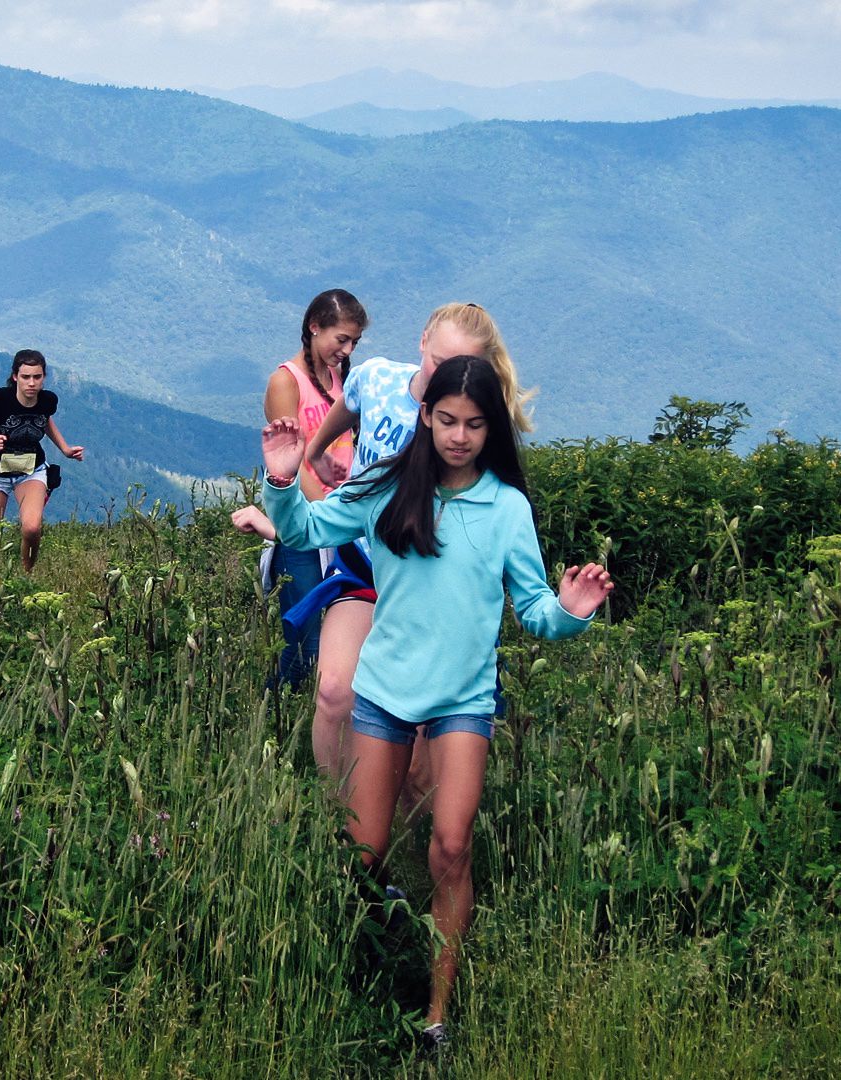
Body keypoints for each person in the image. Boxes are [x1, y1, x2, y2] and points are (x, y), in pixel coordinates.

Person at [259, 354, 613, 1049]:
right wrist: (280, 480)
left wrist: (571, 610)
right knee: (365, 854)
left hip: (463, 700)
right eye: (447, 420)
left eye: (475, 424)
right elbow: (305, 532)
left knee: (451, 848)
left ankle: (436, 1014)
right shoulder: (388, 487)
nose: (459, 436)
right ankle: (360, 978)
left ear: (493, 429)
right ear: (424, 417)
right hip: (386, 693)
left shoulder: (508, 508)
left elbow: (537, 610)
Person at [291, 303, 535, 788]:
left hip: (427, 578)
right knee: (336, 693)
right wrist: (314, 453)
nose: (445, 374)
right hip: (363, 565)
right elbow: (351, 403)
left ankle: (399, 832)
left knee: (420, 730)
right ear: (421, 340)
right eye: (437, 360)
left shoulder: (472, 421)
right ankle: (336, 819)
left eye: (461, 366)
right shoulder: (378, 377)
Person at [231, 290, 364, 693]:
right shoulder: (285, 380)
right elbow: (292, 458)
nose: (346, 349)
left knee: (342, 633)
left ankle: (285, 710)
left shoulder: (342, 380)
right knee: (306, 637)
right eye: (340, 339)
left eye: (354, 342)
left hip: (342, 519)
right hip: (306, 522)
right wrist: (325, 510)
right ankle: (272, 711)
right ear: (314, 327)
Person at [0, 349, 85, 572]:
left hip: (30, 471)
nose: (31, 383)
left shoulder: (48, 400)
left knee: (31, 528)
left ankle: (26, 575)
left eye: (37, 377)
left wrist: (65, 449)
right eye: (26, 377)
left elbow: (45, 422)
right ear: (15, 377)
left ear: (44, 377)